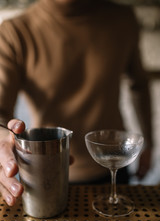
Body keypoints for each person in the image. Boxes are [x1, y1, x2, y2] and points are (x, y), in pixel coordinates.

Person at [0, 0, 153, 206]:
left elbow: (140, 85)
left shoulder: (123, 19)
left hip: (114, 164)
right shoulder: (15, 32)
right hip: (47, 173)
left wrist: (149, 143)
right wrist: (2, 140)